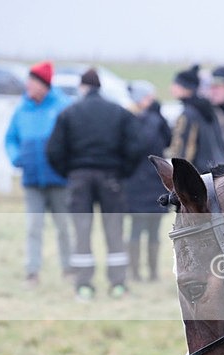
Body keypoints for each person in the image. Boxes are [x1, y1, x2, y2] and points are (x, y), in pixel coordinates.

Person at [46, 68, 144, 301]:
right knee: (114, 232)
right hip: (111, 177)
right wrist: (123, 172)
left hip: (79, 178)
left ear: (82, 87)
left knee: (81, 232)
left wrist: (69, 172)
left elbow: (53, 151)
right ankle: (118, 285)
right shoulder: (119, 112)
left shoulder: (68, 113)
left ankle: (84, 286)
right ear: (100, 87)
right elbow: (137, 146)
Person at [4, 60, 73, 288]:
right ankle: (32, 273)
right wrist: (16, 158)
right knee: (33, 227)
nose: (28, 86)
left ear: (44, 84)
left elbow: (72, 138)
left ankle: (69, 270)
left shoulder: (63, 105)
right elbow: (10, 138)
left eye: (32, 82)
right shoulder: (21, 109)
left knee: (63, 226)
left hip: (58, 179)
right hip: (32, 180)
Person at [124, 80, 171, 282]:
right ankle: (137, 272)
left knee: (151, 229)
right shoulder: (143, 119)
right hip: (143, 181)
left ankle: (149, 272)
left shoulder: (152, 118)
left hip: (148, 182)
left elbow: (168, 140)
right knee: (140, 228)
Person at [166, 65, 224, 173]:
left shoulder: (187, 114)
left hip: (199, 173)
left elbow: (181, 148)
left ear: (186, 88)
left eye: (176, 84)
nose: (172, 88)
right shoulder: (211, 109)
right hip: (217, 169)